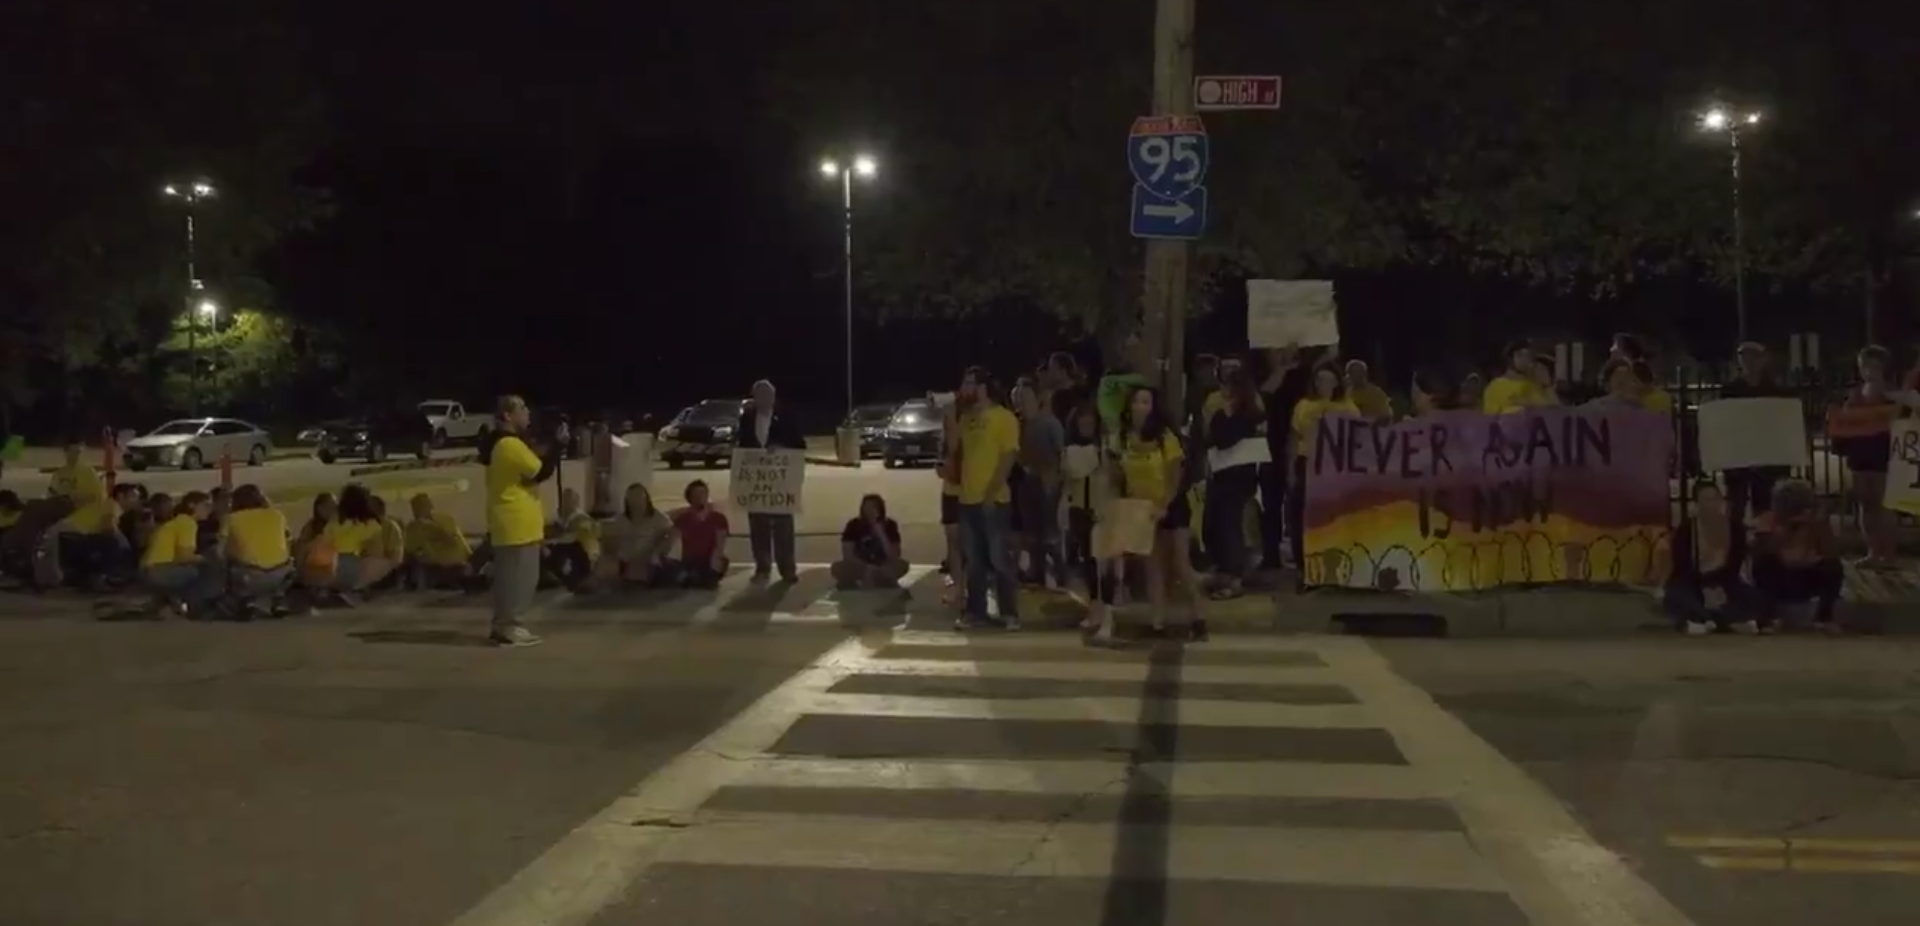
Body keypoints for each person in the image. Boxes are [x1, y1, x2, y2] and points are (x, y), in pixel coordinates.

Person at [1118, 385, 1207, 640]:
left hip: (1171, 505)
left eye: (1146, 402)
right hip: (1142, 508)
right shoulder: (1124, 437)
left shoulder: (1165, 437)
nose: (1140, 407)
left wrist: (1164, 505)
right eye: (1136, 401)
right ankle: (1158, 622)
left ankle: (1199, 618)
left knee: (1180, 564)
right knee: (1152, 567)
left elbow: (1175, 473)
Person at [953, 366, 1023, 631]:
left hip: (993, 500)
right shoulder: (966, 418)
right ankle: (976, 611)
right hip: (967, 499)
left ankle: (1009, 612)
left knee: (999, 558)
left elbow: (1008, 456)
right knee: (974, 561)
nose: (964, 389)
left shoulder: (1003, 418)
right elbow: (953, 449)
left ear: (982, 387)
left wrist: (992, 491)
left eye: (969, 383)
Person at [1719, 342, 1794, 552]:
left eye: (1754, 357)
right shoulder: (1730, 391)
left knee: (1764, 506)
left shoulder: (1776, 392)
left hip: (1766, 459)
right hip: (1738, 458)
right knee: (1736, 505)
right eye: (1745, 358)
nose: (1749, 362)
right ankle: (1734, 547)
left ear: (1763, 360)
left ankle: (1764, 547)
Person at [1662, 482, 1761, 635]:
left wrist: (1718, 586)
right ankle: (1714, 620)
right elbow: (1682, 566)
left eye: (1715, 499)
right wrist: (1704, 587)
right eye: (1706, 499)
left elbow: (1734, 564)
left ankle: (1713, 620)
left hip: (1724, 582)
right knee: (1678, 596)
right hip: (1692, 582)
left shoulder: (1735, 529)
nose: (1712, 504)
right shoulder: (1686, 530)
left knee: (1752, 597)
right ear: (1696, 504)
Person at [1202, 363, 1266, 599]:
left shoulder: (1252, 414)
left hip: (1240, 479)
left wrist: (1226, 416)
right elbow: (1210, 437)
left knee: (1232, 528)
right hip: (1220, 473)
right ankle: (1222, 570)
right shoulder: (1220, 410)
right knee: (1214, 523)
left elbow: (1225, 438)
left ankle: (1235, 578)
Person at [1750, 479, 1845, 632]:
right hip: (1781, 580)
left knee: (1833, 567)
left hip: (1807, 579)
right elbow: (1771, 554)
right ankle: (1767, 618)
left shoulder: (1817, 523)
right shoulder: (1768, 521)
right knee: (1764, 564)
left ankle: (1824, 617)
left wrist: (1814, 525)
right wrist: (1789, 529)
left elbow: (1830, 555)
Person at [1289, 363, 1358, 569]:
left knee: (1329, 519)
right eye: (1319, 380)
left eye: (1328, 379)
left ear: (1337, 382)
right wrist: (1291, 469)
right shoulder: (1303, 406)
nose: (1323, 384)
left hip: (1333, 467)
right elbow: (1293, 438)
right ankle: (1304, 568)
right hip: (1306, 463)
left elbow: (1356, 439)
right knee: (1300, 517)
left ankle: (1330, 566)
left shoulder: (1347, 408)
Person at [1835, 346, 1899, 567]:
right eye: (1864, 366)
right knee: (1865, 504)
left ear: (1882, 367)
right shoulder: (1854, 395)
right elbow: (1844, 423)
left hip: (1884, 453)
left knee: (1884, 505)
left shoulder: (1892, 394)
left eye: (1873, 366)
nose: (1868, 371)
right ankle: (1873, 551)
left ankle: (1889, 555)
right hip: (1860, 454)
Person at [737, 379, 806, 582]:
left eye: (769, 396)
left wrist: (783, 449)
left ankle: (787, 569)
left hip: (780, 482)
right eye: (761, 396)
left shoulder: (786, 416)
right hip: (757, 483)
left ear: (774, 397)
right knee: (758, 528)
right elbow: (742, 445)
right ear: (754, 397)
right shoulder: (747, 418)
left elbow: (800, 445)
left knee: (783, 528)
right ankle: (763, 568)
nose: (766, 400)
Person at [1256, 346, 1307, 571]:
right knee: (1270, 505)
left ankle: (1302, 556)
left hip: (1302, 449)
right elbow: (1262, 396)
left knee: (1299, 505)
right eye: (1275, 349)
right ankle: (1270, 555)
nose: (1280, 353)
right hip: (1270, 448)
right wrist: (1281, 370)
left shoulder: (1305, 376)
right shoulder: (1263, 376)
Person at [1012, 381, 1067, 586]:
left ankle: (1060, 573)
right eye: (1017, 400)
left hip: (1049, 482)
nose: (1020, 405)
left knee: (1051, 532)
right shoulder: (1018, 426)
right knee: (1031, 532)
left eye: (1024, 399)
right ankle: (1037, 571)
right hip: (1028, 480)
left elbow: (1062, 454)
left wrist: (1055, 477)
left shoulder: (1050, 424)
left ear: (1037, 399)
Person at [141, 490, 220, 617]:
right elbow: (184, 556)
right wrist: (204, 559)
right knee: (202, 570)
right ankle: (197, 607)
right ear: (191, 505)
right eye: (205, 505)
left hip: (149, 569)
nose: (209, 510)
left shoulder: (177, 521)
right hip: (159, 571)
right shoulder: (187, 523)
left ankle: (169, 602)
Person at [225, 484, 293, 617]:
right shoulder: (277, 514)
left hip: (249, 575)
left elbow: (222, 547)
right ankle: (279, 598)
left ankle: (246, 599)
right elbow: (288, 539)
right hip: (280, 573)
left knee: (226, 559)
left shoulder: (232, 518)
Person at [322, 484, 395, 603]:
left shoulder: (334, 520)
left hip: (326, 568)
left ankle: (330, 590)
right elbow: (377, 552)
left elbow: (325, 541)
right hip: (351, 567)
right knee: (387, 562)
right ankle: (355, 590)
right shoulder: (371, 525)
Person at [600, 483, 676, 585]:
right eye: (632, 498)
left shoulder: (659, 518)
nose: (636, 501)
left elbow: (673, 534)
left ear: (646, 499)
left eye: (639, 497)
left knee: (639, 571)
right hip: (624, 559)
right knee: (604, 564)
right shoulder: (620, 519)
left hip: (647, 560)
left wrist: (658, 552)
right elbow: (609, 541)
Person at [834, 493, 910, 588]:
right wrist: (867, 568)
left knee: (901, 565)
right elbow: (848, 555)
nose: (869, 511)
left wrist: (880, 531)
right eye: (867, 507)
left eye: (873, 507)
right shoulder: (853, 525)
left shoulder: (890, 525)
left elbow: (894, 555)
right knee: (837, 568)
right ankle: (875, 578)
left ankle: (878, 578)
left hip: (883, 565)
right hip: (861, 566)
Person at [403, 493, 473, 589]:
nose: (425, 508)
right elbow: (413, 552)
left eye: (426, 504)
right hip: (437, 567)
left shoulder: (445, 519)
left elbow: (457, 540)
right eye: (419, 506)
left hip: (458, 561)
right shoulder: (414, 527)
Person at [670, 479, 731, 588]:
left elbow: (720, 544)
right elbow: (673, 540)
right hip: (690, 561)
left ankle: (700, 577)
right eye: (696, 494)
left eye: (703, 493)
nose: (700, 497)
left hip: (709, 560)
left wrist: (715, 561)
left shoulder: (718, 518)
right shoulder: (682, 519)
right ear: (689, 498)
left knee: (710, 576)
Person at [543, 487, 599, 589]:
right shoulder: (558, 518)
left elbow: (577, 535)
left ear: (576, 502)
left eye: (570, 499)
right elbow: (551, 533)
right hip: (562, 549)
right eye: (564, 500)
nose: (566, 503)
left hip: (579, 551)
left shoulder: (582, 518)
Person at [1482, 341, 1552, 414]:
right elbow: (1492, 417)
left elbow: (1553, 412)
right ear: (1514, 358)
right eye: (1527, 355)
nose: (1531, 361)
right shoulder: (1494, 387)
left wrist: (1547, 385)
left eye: (1532, 357)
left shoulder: (1535, 384)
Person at [1585, 358, 1649, 410]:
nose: (1624, 389)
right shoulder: (1593, 409)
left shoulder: (1640, 409)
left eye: (1628, 381)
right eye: (1620, 384)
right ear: (1607, 386)